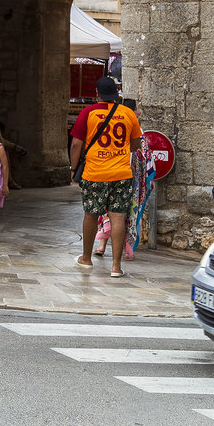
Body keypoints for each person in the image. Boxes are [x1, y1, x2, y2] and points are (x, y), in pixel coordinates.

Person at [70, 75, 142, 277]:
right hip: (121, 173)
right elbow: (135, 144)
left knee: (91, 215)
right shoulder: (128, 113)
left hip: (95, 173)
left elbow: (76, 143)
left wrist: (73, 168)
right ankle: (116, 267)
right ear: (116, 93)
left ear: (96, 93)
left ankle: (86, 258)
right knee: (118, 217)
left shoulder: (88, 113)